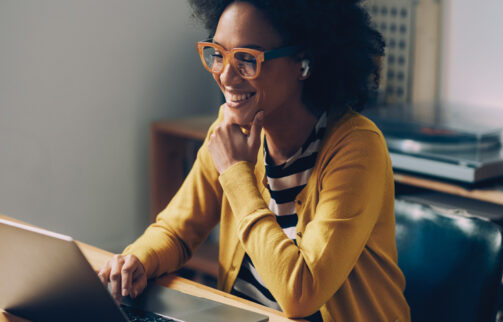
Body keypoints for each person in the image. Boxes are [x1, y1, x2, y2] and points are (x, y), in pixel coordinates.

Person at [99, 0, 410, 321]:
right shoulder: (228, 132)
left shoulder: (356, 146)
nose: (226, 76)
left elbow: (301, 293)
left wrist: (237, 174)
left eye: (247, 59)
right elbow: (176, 231)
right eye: (218, 55)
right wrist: (138, 258)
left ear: (303, 62)